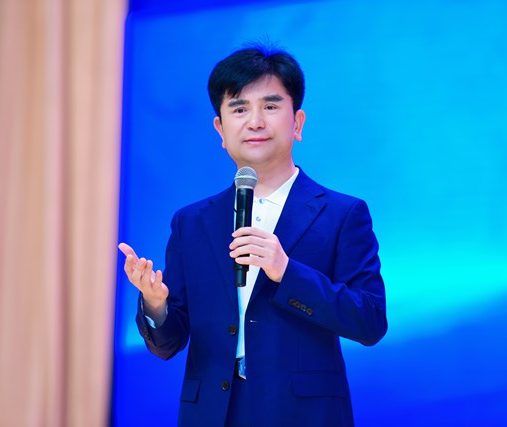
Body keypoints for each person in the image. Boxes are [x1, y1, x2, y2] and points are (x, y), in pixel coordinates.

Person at [118, 43, 387, 427]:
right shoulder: (190, 223)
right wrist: (155, 304)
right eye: (239, 109)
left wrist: (287, 271)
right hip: (212, 414)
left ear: (297, 123)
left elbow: (370, 321)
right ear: (220, 129)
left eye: (271, 106)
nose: (255, 122)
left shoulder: (342, 214)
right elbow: (168, 344)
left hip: (304, 415)